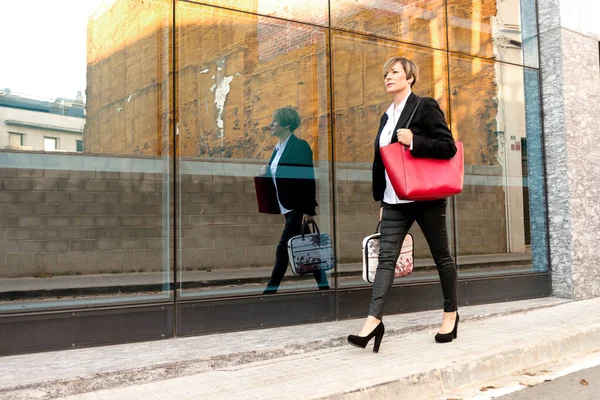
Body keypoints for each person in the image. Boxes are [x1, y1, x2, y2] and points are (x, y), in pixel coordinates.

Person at [347, 57, 459, 352]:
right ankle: (373, 321)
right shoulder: (386, 116)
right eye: (386, 73)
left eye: (394, 72)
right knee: (386, 259)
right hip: (394, 199)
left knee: (441, 257)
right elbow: (384, 162)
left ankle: (451, 314)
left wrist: (416, 140)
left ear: (410, 78)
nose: (388, 76)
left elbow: (447, 147)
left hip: (425, 198)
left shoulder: (425, 106)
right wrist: (383, 199)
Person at [261, 107, 330, 294]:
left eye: (274, 121)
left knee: (282, 249)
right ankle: (324, 286)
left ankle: (270, 290)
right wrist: (266, 173)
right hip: (286, 206)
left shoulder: (299, 146)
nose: (271, 125)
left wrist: (309, 210)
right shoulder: (277, 149)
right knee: (309, 248)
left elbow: (307, 179)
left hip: (297, 206)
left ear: (287, 124)